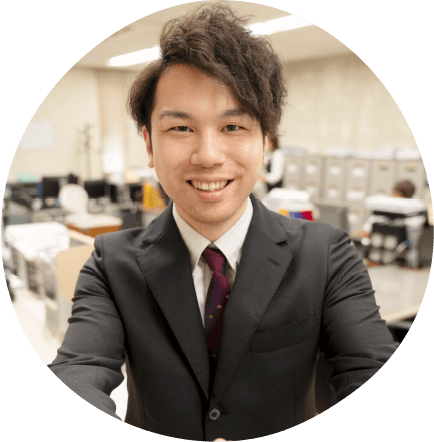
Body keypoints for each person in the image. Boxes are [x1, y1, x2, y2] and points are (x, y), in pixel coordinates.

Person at [48, 4, 397, 440]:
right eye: (181, 129)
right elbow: (78, 369)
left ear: (266, 141)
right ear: (149, 145)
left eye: (233, 126)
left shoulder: (327, 254)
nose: (208, 156)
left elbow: (369, 365)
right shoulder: (111, 263)